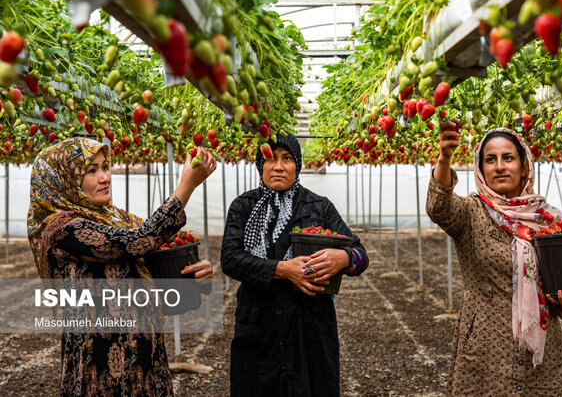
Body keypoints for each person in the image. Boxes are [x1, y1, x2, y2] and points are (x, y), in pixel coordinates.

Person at [27, 137, 216, 396]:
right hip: (99, 365)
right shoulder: (61, 230)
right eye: (91, 170)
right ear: (63, 179)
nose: (105, 177)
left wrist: (198, 272)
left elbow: (158, 249)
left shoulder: (116, 218)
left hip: (145, 358)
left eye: (105, 167)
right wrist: (185, 187)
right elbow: (137, 241)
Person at [426, 122, 562, 395]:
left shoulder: (546, 219)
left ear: (523, 165)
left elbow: (558, 285)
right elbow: (439, 207)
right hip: (485, 347)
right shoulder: (471, 212)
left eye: (508, 158)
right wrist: (444, 158)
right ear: (481, 169)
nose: (499, 166)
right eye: (490, 160)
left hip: (541, 351)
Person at [221, 132, 368, 397]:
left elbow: (360, 255)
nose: (278, 166)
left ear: (297, 166)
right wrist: (283, 270)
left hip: (310, 323)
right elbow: (230, 259)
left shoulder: (319, 207)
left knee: (311, 386)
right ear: (260, 165)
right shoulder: (244, 206)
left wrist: (343, 258)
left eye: (286, 158)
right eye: (270, 158)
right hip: (259, 323)